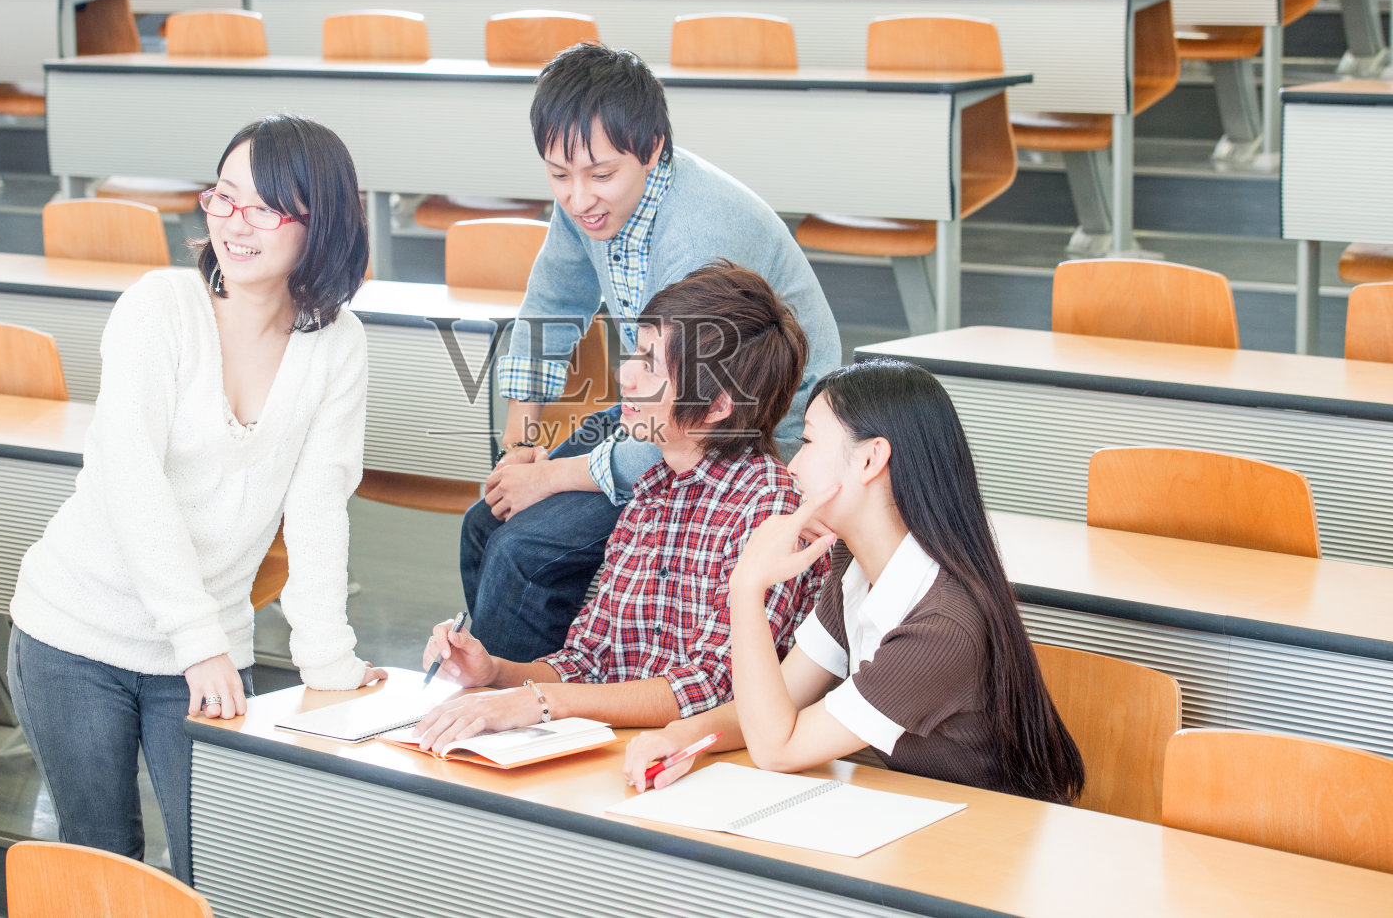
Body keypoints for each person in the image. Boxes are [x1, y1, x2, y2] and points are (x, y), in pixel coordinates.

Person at [6, 115, 384, 883]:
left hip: (209, 649)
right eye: (224, 197)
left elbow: (318, 509)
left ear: (321, 223)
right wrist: (198, 640)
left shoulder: (338, 344)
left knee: (218, 867)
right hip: (76, 633)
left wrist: (329, 662)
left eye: (264, 207)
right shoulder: (160, 306)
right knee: (104, 864)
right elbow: (131, 480)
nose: (235, 223)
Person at [462, 42, 842, 662]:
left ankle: (537, 704)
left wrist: (549, 477)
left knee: (523, 553)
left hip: (742, 435)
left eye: (600, 174)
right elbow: (550, 307)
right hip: (660, 406)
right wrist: (519, 449)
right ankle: (540, 678)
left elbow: (689, 421)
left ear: (653, 147)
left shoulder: (698, 234)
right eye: (559, 175)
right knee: (488, 520)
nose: (579, 197)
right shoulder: (588, 202)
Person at [622, 358, 1086, 805]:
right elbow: (774, 705)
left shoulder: (940, 627)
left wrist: (746, 586)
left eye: (807, 441)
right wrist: (680, 736)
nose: (792, 467)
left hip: (987, 836)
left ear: (870, 460)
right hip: (920, 814)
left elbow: (777, 748)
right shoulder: (854, 564)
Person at [416, 264, 827, 750]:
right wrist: (494, 672)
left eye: (651, 366)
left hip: (705, 761)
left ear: (718, 406)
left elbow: (713, 689)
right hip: (625, 749)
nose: (624, 375)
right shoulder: (652, 491)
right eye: (635, 352)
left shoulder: (770, 507)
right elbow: (587, 662)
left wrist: (544, 702)